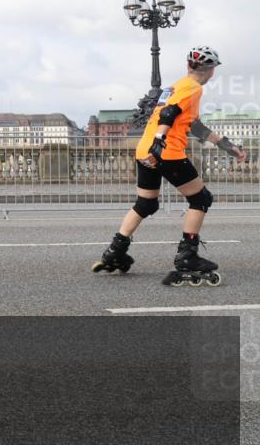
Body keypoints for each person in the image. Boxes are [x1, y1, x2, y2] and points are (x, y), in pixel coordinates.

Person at [93, 46, 248, 285]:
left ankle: (115, 251)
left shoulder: (175, 87)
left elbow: (194, 126)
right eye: (213, 70)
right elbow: (168, 114)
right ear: (210, 71)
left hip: (144, 150)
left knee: (146, 203)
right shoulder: (194, 88)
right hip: (166, 152)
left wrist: (227, 146)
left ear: (189, 66)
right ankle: (188, 256)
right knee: (201, 199)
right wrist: (160, 141)